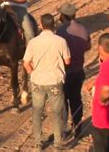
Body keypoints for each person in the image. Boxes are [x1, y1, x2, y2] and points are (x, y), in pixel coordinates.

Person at [23, 14, 71, 150]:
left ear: (41, 25)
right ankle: (57, 142)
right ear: (54, 24)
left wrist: (32, 73)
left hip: (37, 81)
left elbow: (26, 63)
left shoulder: (33, 42)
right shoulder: (61, 41)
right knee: (57, 112)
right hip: (55, 81)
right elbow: (67, 61)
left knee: (37, 112)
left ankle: (38, 143)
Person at [55, 3, 91, 138]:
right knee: (76, 99)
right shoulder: (83, 29)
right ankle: (77, 127)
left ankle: (63, 130)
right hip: (78, 70)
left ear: (62, 16)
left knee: (62, 101)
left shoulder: (60, 31)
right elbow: (88, 47)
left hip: (64, 72)